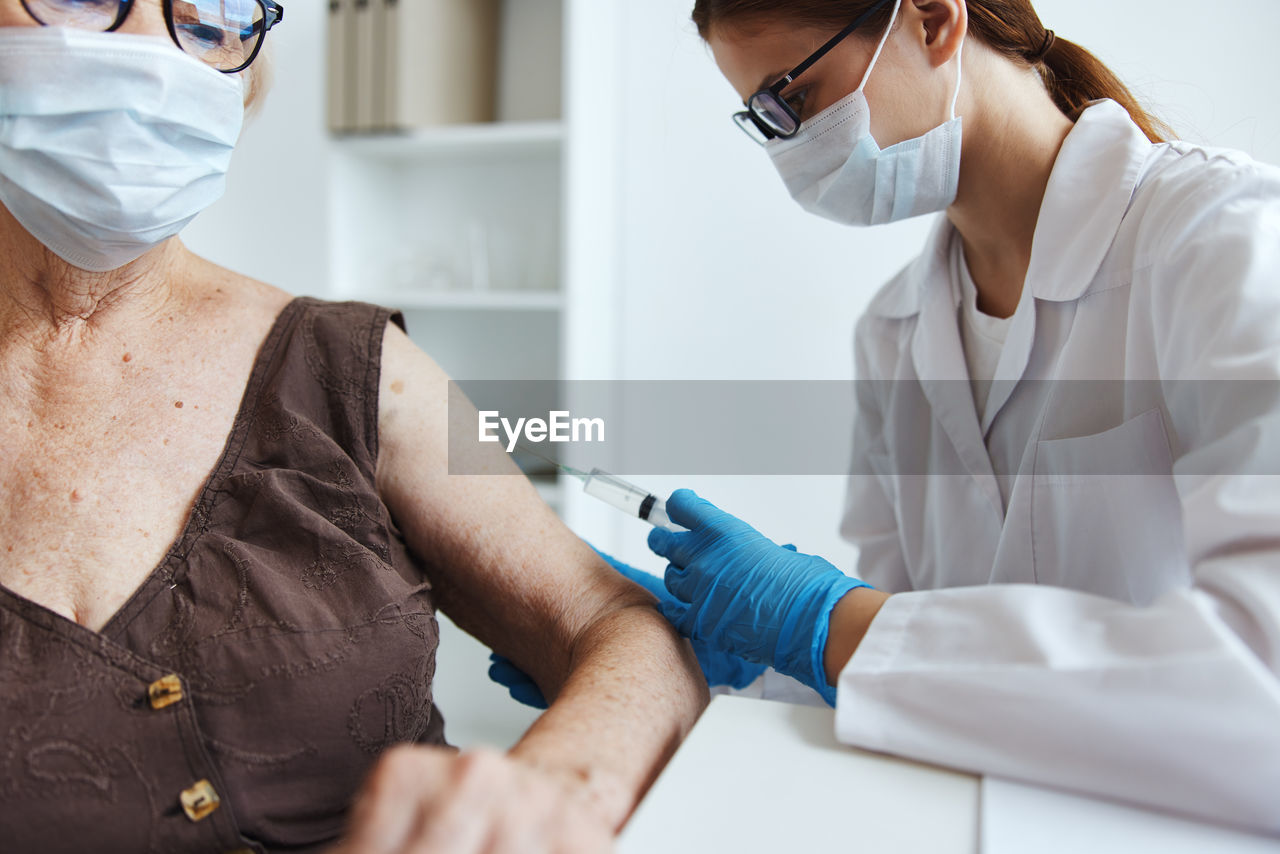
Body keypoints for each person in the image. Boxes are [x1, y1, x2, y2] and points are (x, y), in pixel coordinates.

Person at [490, 0, 1280, 835]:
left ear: (935, 22)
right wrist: (742, 659)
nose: (789, 147)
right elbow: (917, 661)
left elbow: (1261, 686)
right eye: (763, 119)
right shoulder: (896, 332)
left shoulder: (1222, 243)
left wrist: (822, 618)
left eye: (790, 97)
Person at [0, 2, 707, 852]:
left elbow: (613, 621)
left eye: (213, 11)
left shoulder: (360, 370)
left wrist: (553, 785)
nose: (158, 52)